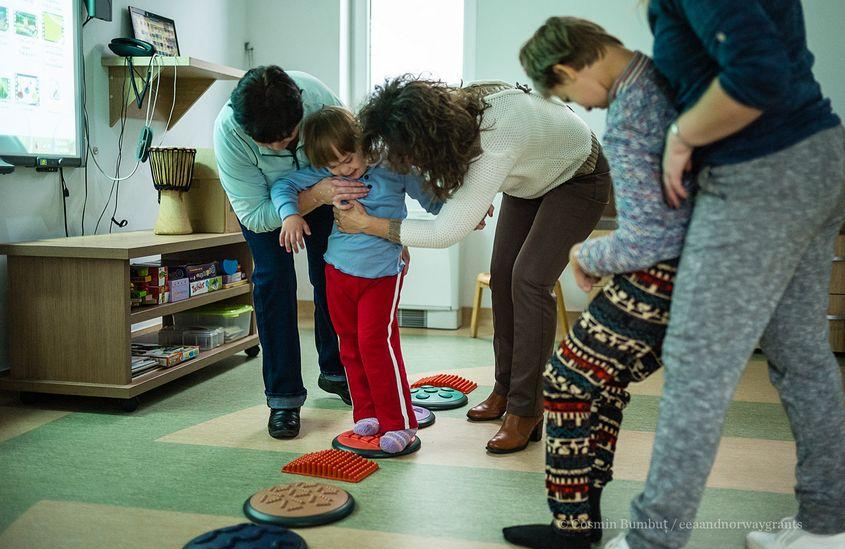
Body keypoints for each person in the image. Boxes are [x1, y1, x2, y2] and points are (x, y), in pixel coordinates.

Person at [581, 2, 845, 549]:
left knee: (697, 363)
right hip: (816, 156)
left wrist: (681, 136)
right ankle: (828, 529)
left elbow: (756, 73)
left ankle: (651, 548)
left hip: (759, 172)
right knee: (801, 353)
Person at [500, 17, 695, 549]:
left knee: (565, 383)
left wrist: (584, 253)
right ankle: (581, 519)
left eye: (568, 95)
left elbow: (647, 237)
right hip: (689, 269)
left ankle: (574, 529)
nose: (583, 108)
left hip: (660, 274)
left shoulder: (631, 109)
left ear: (565, 69)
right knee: (600, 383)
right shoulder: (657, 76)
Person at [333, 76, 612, 454]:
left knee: (529, 280)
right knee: (502, 277)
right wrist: (463, 204)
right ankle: (504, 389)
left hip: (579, 176)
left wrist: (366, 224)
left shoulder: (494, 140)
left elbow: (444, 233)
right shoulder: (460, 113)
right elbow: (456, 203)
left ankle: (526, 410)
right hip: (532, 178)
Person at [270, 106, 442, 453]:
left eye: (348, 159)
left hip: (381, 276)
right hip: (337, 271)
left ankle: (400, 422)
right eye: (333, 167)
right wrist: (290, 214)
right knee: (349, 345)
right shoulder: (328, 172)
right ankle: (368, 414)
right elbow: (283, 185)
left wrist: (470, 209)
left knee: (377, 346)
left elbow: (433, 199)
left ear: (363, 141)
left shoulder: (394, 167)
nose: (343, 170)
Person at [213, 66, 369, 439]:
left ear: (301, 113)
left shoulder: (317, 97)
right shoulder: (229, 136)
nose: (281, 148)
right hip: (266, 207)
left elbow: (351, 149)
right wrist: (310, 198)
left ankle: (336, 371)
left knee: (332, 276)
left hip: (324, 191)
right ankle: (283, 399)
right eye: (269, 144)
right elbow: (253, 213)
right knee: (274, 284)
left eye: (288, 138)